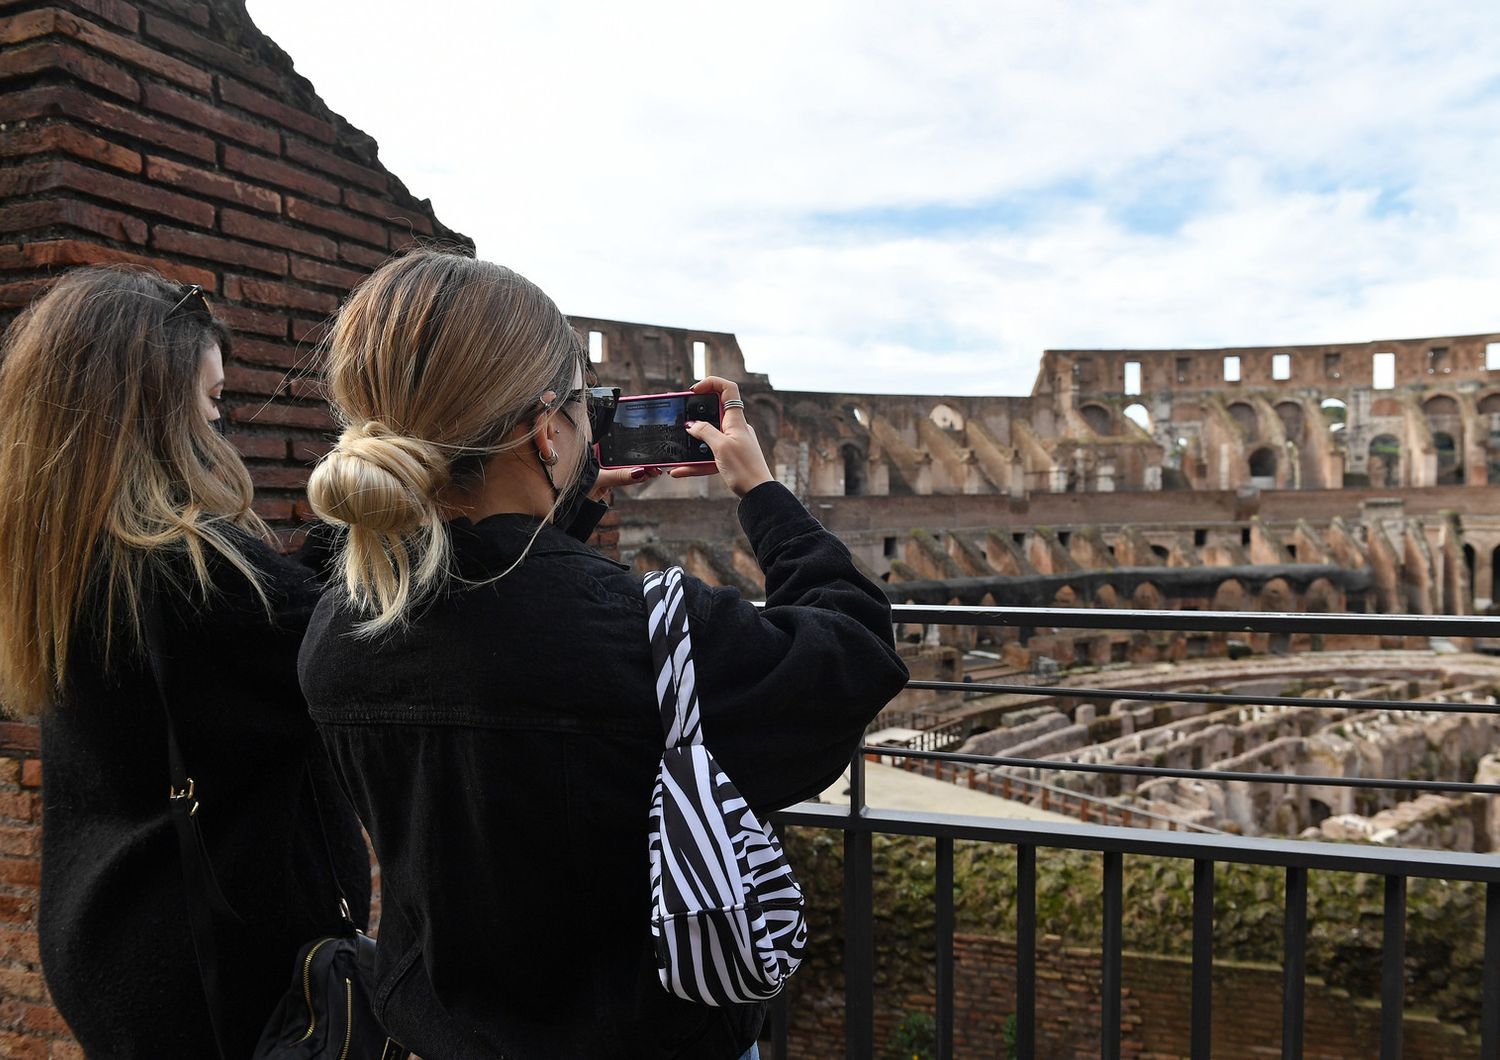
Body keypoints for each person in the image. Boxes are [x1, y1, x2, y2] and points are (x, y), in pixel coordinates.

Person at [297, 249, 909, 1059]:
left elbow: (493, 615)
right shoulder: (650, 632)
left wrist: (564, 510)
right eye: (584, 408)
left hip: (439, 1036)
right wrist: (763, 496)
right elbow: (856, 651)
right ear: (547, 430)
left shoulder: (338, 625)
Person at [0, 268, 373, 1058]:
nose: (219, 424)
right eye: (211, 402)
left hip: (114, 937)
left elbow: (287, 614)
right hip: (212, 979)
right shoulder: (189, 570)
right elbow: (362, 642)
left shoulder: (78, 550)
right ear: (154, 412)